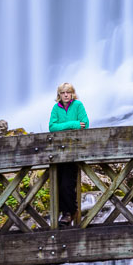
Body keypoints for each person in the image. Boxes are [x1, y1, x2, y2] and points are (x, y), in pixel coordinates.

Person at [49, 82, 89, 227]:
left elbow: (85, 124)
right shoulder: (56, 108)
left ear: (72, 94)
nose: (66, 95)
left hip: (74, 151)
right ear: (59, 95)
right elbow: (52, 127)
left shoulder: (78, 105)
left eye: (68, 92)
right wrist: (73, 124)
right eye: (63, 93)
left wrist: (67, 126)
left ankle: (70, 212)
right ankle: (65, 213)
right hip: (59, 152)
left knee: (67, 184)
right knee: (58, 184)